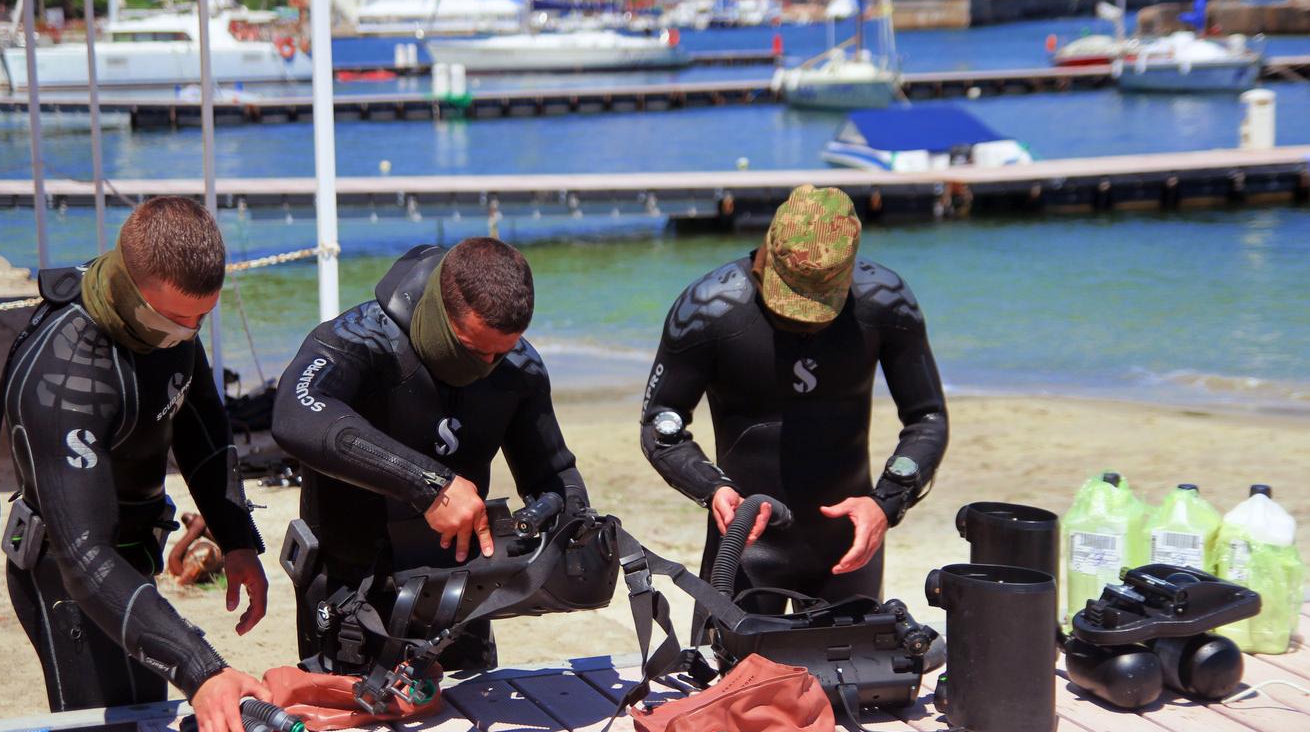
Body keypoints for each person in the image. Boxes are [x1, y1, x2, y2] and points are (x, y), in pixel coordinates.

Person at [0, 196, 270, 732]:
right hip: (67, 570)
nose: (188, 333)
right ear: (129, 286)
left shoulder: (172, 323)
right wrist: (202, 669)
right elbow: (84, 558)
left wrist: (237, 540)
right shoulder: (65, 375)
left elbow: (202, 428)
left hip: (134, 553)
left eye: (201, 318)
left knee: (150, 730)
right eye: (174, 319)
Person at [272, 238, 589, 671]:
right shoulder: (361, 338)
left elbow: (553, 473)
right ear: (441, 311)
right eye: (473, 349)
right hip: (351, 588)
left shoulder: (517, 366)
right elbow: (294, 414)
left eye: (502, 352)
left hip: (460, 592)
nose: (487, 364)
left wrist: (576, 532)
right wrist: (429, 486)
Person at [640, 184, 949, 628]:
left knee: (856, 694)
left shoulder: (886, 302)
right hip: (744, 547)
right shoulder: (709, 309)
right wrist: (715, 491)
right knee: (726, 692)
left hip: (849, 548)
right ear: (769, 253)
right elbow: (661, 425)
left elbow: (927, 418)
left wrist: (886, 503)